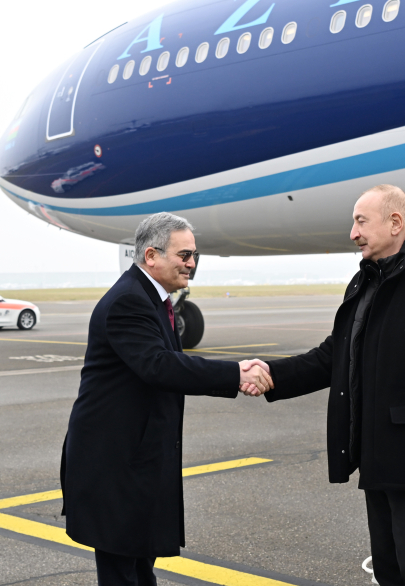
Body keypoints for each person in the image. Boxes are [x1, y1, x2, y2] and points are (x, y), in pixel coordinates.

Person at [246, 185, 405, 586]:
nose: (353, 233)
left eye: (361, 222)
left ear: (395, 223)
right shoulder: (366, 282)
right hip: (378, 456)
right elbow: (334, 356)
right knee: (390, 570)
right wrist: (271, 373)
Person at [61, 212, 274, 586]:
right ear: (151, 256)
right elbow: (160, 367)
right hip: (115, 465)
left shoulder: (152, 299)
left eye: (194, 255)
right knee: (122, 570)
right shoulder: (129, 301)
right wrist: (236, 374)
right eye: (184, 255)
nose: (191, 263)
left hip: (135, 461)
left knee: (139, 565)